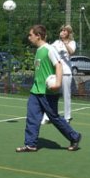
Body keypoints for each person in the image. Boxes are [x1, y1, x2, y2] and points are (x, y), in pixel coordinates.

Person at [16, 25, 82, 153]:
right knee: (32, 117)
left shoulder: (49, 49)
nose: (29, 37)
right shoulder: (39, 50)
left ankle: (74, 136)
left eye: (31, 35)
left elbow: (58, 65)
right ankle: (30, 144)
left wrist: (57, 83)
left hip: (48, 92)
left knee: (54, 118)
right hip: (36, 91)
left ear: (38, 36)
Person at [41, 24, 76, 124]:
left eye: (65, 31)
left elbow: (71, 52)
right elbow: (49, 49)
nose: (63, 32)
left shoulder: (72, 43)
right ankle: (47, 116)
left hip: (66, 72)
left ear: (69, 33)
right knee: (51, 94)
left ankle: (67, 117)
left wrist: (65, 43)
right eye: (62, 30)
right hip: (57, 72)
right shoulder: (56, 42)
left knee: (66, 95)